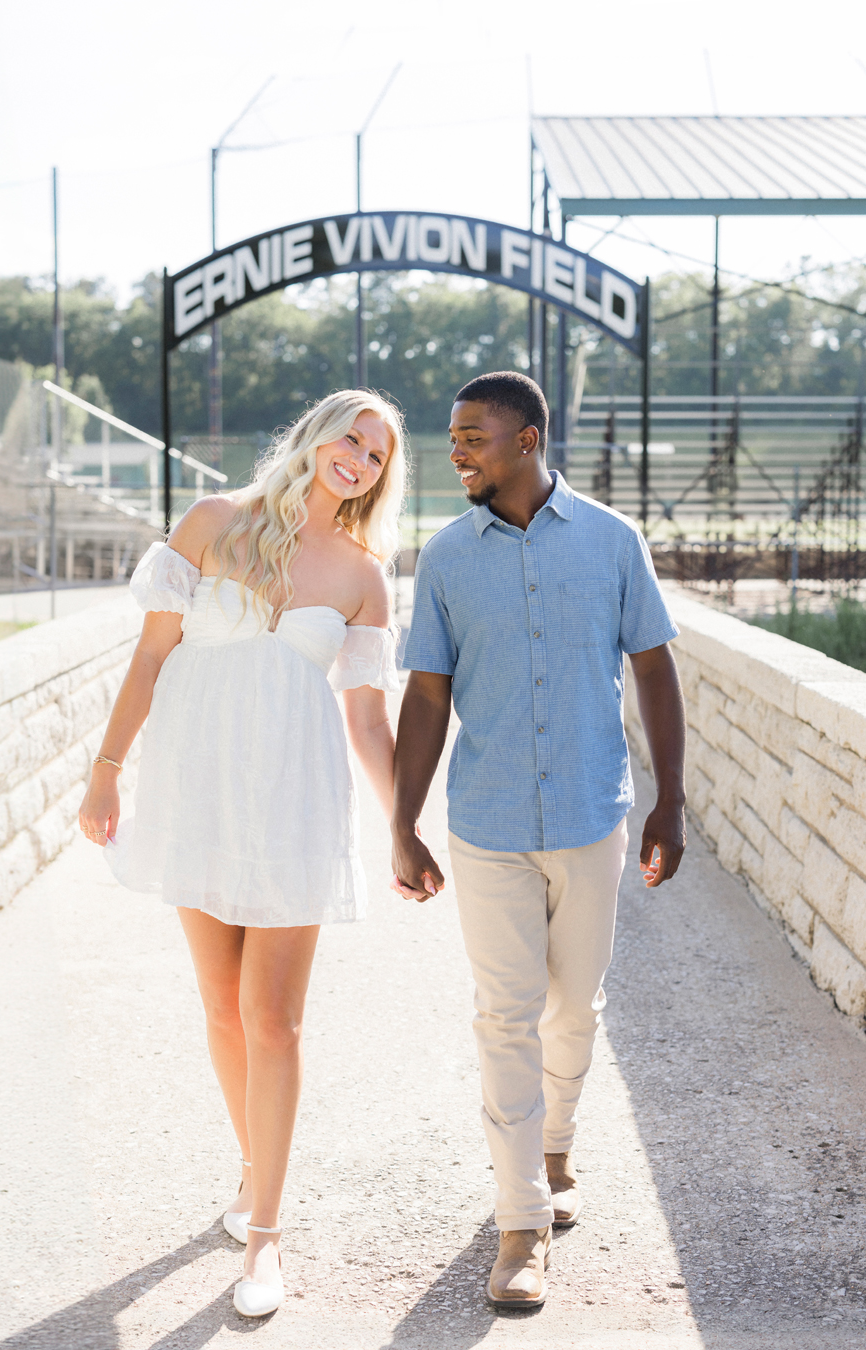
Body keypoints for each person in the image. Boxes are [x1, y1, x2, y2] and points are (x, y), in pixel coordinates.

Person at [79, 390, 406, 1319]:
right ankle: (255, 1174)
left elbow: (367, 718)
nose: (358, 459)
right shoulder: (213, 522)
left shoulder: (361, 576)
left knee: (274, 1021)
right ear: (314, 434)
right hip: (196, 792)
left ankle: (265, 1237)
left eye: (377, 456)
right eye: (351, 437)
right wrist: (106, 773)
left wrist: (403, 827)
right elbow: (149, 659)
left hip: (295, 803)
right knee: (221, 1008)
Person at [391, 371, 685, 1310]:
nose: (456, 450)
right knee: (504, 1015)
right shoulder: (443, 558)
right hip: (487, 825)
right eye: (451, 435)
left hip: (593, 816)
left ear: (527, 439)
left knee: (575, 1010)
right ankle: (520, 1223)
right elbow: (428, 695)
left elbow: (654, 668)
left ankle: (554, 1143)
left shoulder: (611, 542)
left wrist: (669, 802)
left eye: (472, 434)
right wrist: (402, 822)